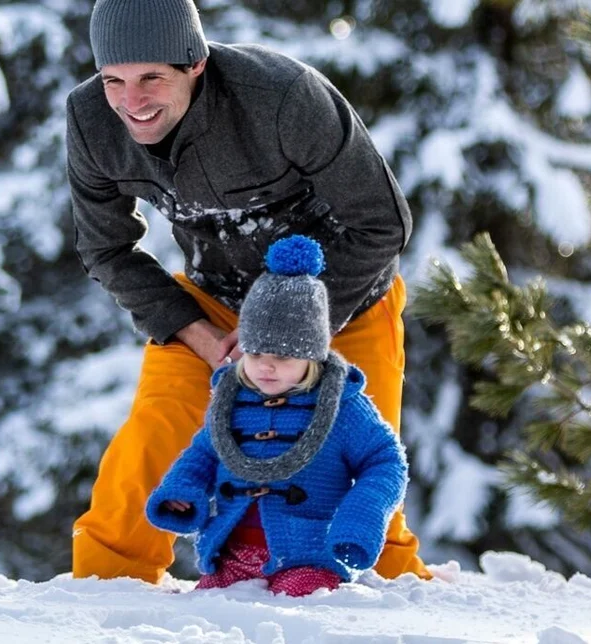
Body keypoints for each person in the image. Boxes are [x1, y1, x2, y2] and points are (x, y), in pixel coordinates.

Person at [67, 0, 428, 583]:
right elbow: (105, 248)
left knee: (357, 457)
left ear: (195, 63)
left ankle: (387, 597)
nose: (132, 102)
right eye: (115, 80)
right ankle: (105, 590)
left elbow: (383, 223)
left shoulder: (284, 98)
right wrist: (196, 332)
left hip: (344, 296)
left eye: (152, 77)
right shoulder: (91, 120)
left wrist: (293, 332)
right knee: (153, 435)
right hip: (214, 302)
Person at [146, 236, 409, 596]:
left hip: (308, 556)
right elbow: (205, 453)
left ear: (312, 357)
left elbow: (386, 462)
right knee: (211, 606)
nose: (266, 367)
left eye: (283, 357)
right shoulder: (231, 398)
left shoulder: (341, 405)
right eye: (255, 355)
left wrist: (362, 513)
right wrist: (183, 489)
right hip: (231, 555)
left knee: (296, 606)